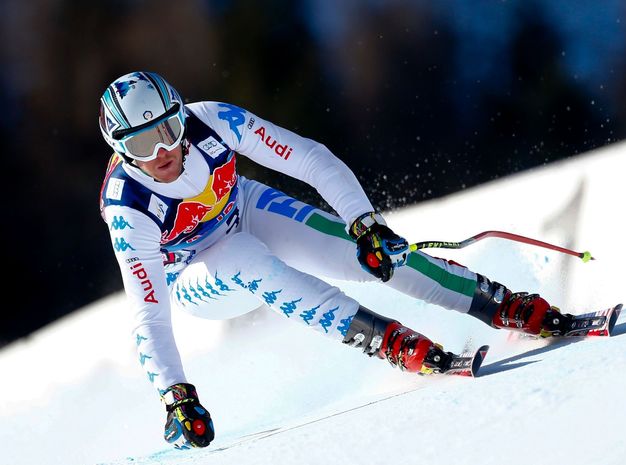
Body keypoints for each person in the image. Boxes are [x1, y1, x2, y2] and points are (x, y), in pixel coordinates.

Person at [98, 71, 569, 449]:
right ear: (120, 148)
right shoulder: (129, 208)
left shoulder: (214, 121)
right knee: (246, 258)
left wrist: (365, 224)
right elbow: (149, 314)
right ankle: (386, 340)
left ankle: (496, 303)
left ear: (181, 116)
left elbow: (308, 158)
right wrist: (176, 395)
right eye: (142, 144)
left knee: (364, 254)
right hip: (196, 278)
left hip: (242, 207)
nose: (162, 150)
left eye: (167, 130)